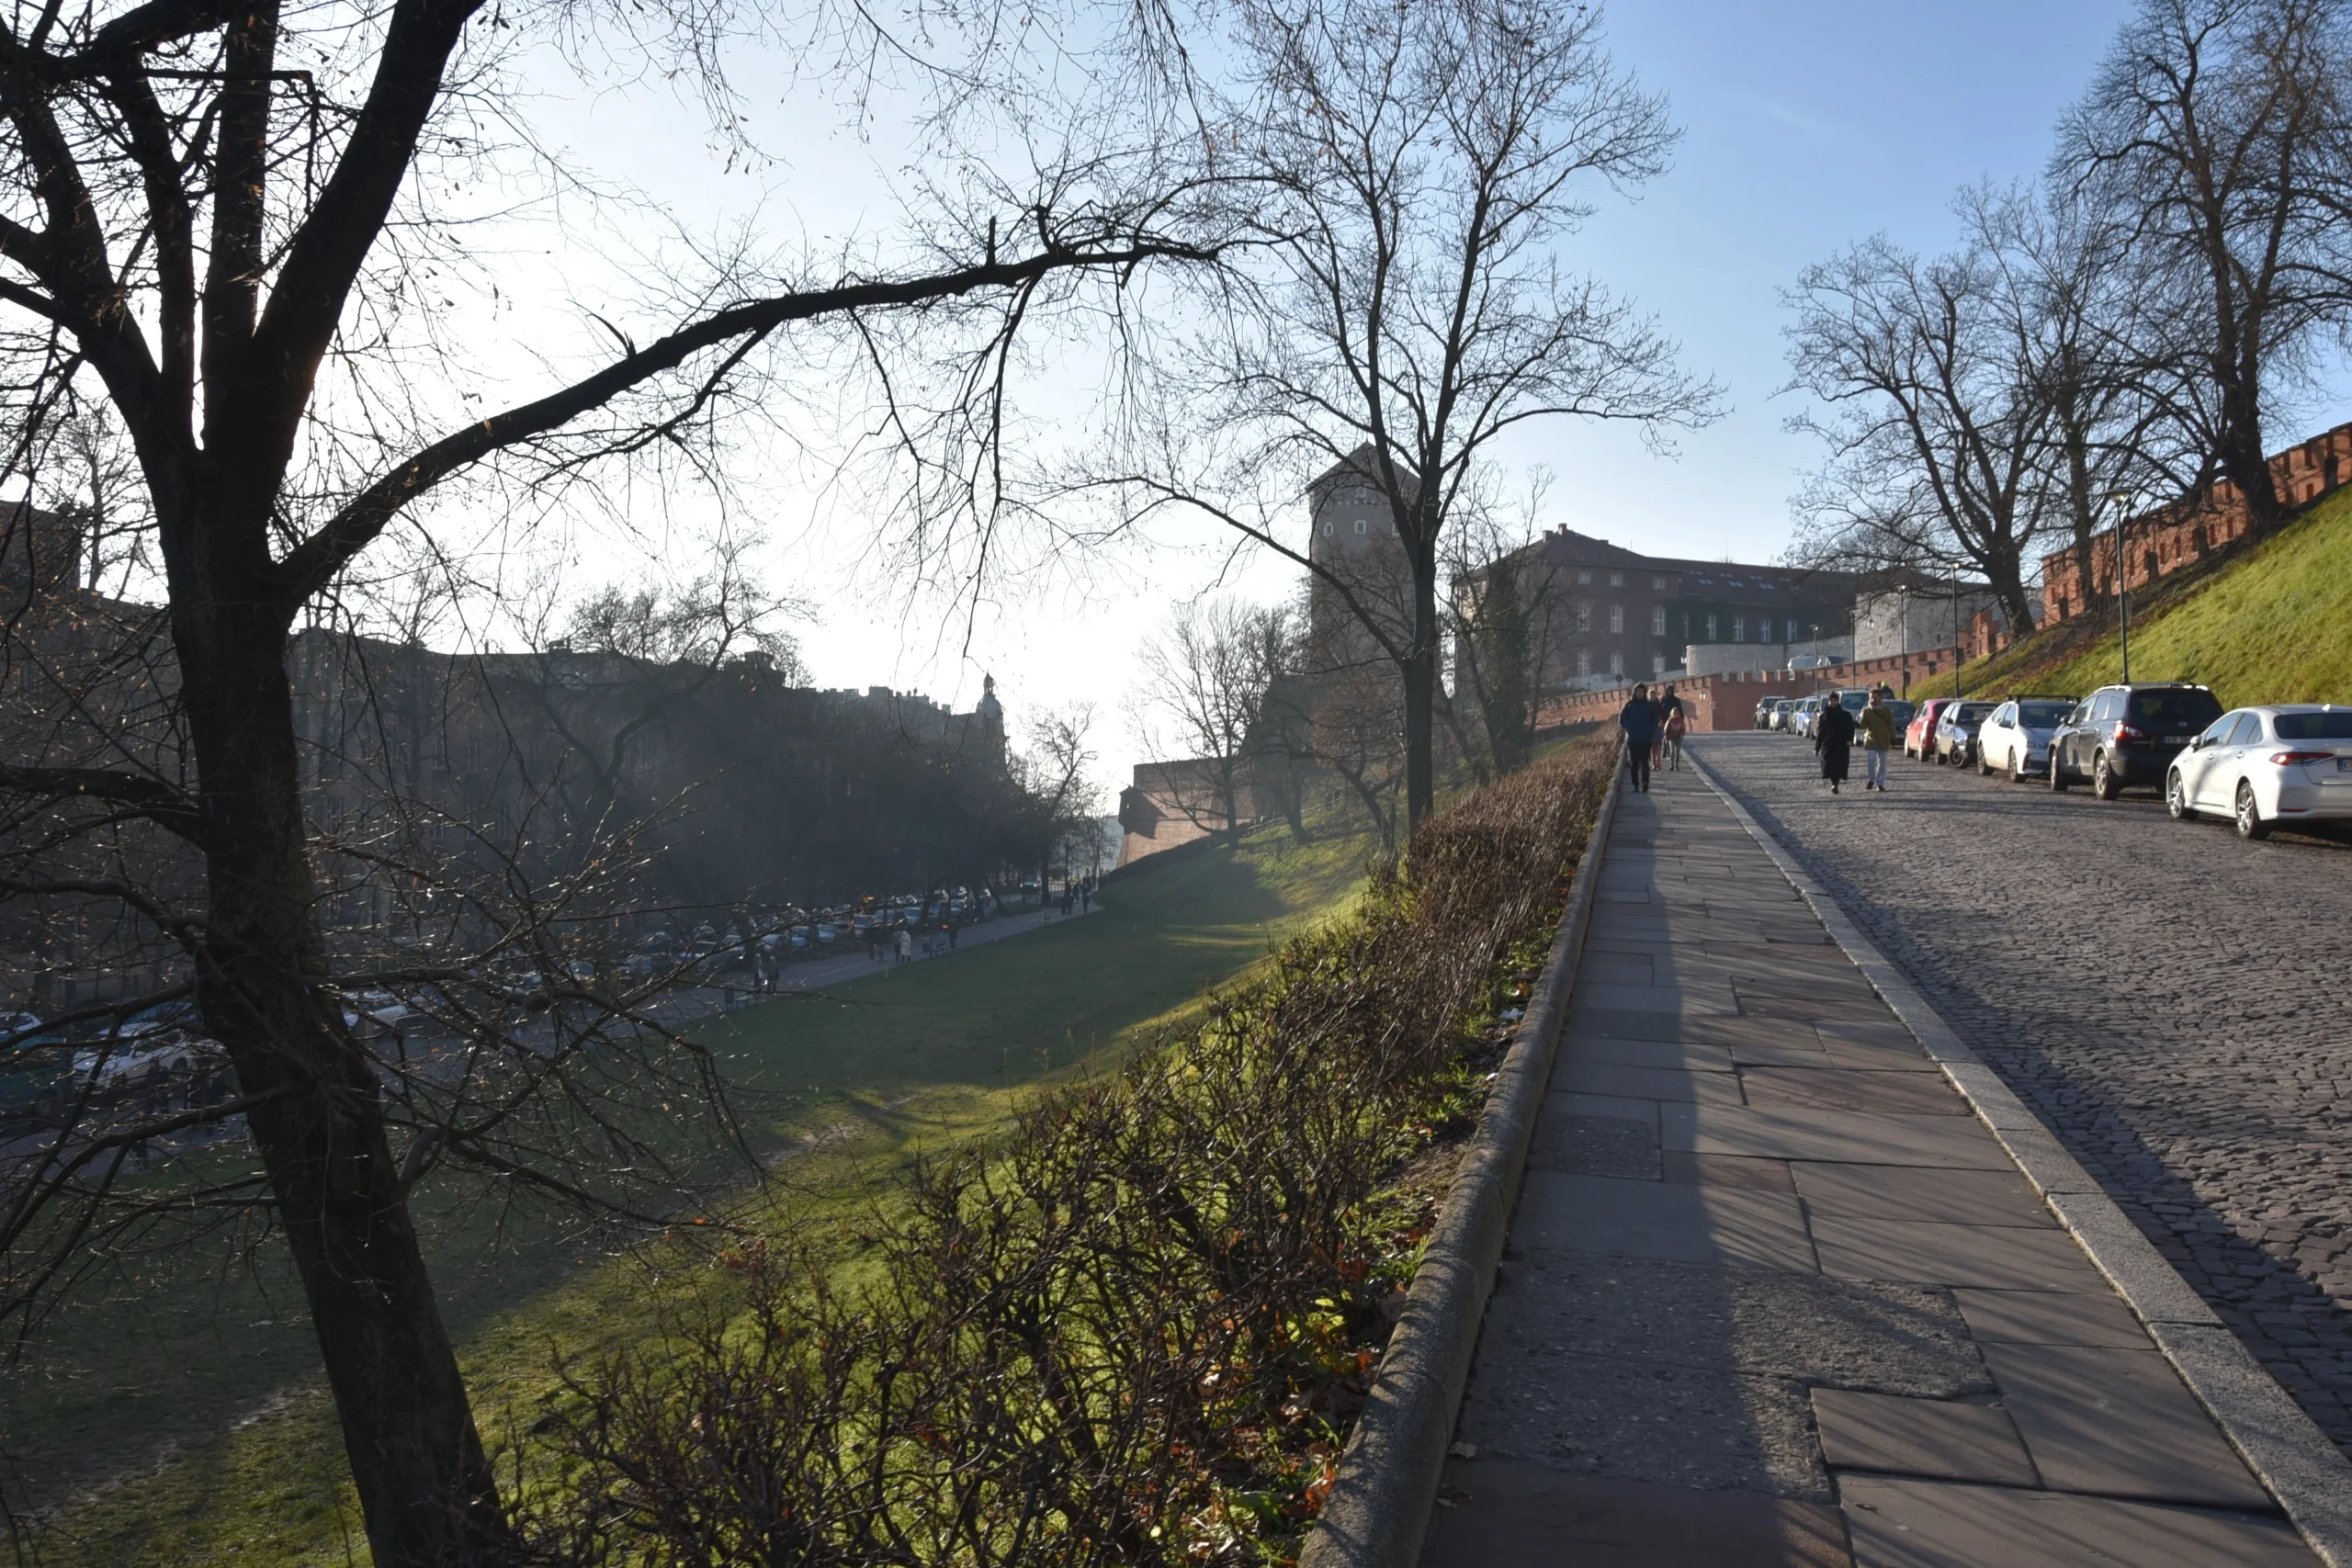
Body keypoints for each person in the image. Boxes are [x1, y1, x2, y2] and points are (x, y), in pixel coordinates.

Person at [1618, 682, 1660, 794]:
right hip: (1633, 739)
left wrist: (1650, 732)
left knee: (1645, 762)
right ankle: (1635, 785)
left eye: (1642, 691)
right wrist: (1629, 729)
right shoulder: (1630, 705)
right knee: (1634, 763)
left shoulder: (1649, 706)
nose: (1640, 693)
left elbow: (1655, 721)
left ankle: (1645, 782)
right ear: (1635, 692)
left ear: (1644, 693)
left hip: (1645, 739)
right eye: (1638, 691)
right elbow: (1621, 720)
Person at [1815, 694, 1859, 794]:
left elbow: (1850, 729)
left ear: (1838, 702)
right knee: (1828, 765)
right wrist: (1816, 748)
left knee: (1839, 766)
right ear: (1829, 702)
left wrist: (1850, 740)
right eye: (1831, 701)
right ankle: (1833, 782)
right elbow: (1820, 733)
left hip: (1841, 745)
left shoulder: (1846, 715)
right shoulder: (1824, 716)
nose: (1833, 702)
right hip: (1828, 745)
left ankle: (1835, 784)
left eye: (1835, 700)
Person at [1859, 689, 1896, 792]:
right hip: (1871, 739)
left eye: (1875, 697)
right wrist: (1858, 724)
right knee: (1871, 760)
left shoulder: (1886, 710)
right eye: (1871, 698)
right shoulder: (1866, 711)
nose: (1873, 700)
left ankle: (1879, 783)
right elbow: (1864, 725)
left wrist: (1893, 737)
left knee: (1882, 761)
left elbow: (1890, 724)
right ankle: (1871, 779)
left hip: (1883, 739)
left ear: (1879, 697)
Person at [1662, 704, 1688, 773]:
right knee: (1672, 751)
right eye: (1674, 713)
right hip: (1671, 738)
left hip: (1678, 738)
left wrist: (1682, 735)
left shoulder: (1681, 720)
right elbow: (1666, 729)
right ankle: (1671, 765)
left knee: (1678, 752)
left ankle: (1677, 765)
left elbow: (1683, 729)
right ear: (1671, 713)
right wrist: (1667, 737)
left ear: (1679, 714)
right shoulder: (1670, 720)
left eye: (1676, 713)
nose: (1675, 714)